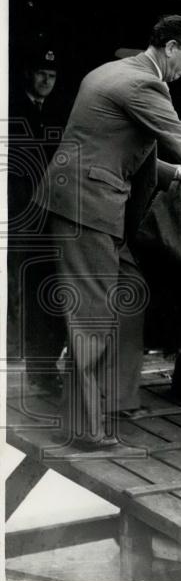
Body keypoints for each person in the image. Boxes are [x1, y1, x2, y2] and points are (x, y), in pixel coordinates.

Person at [33, 15, 181, 451]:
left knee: (131, 288)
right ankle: (82, 428)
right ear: (170, 47)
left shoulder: (112, 71)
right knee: (94, 315)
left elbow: (116, 142)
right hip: (88, 208)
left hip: (92, 203)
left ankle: (116, 399)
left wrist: (176, 175)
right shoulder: (145, 84)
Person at [6, 47, 68, 392]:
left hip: (46, 216)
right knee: (16, 284)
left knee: (42, 288)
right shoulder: (13, 107)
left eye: (53, 76)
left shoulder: (56, 113)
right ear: (29, 73)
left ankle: (39, 367)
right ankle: (14, 355)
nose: (46, 81)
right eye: (41, 74)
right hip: (17, 212)